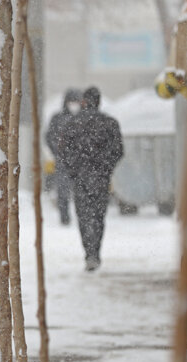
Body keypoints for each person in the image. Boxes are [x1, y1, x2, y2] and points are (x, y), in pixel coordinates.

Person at [59, 86, 123, 272]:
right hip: (101, 178)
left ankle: (89, 252)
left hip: (80, 178)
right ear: (99, 101)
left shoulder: (72, 123)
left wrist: (74, 170)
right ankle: (95, 250)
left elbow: (63, 151)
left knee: (84, 215)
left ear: (83, 101)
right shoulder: (110, 123)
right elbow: (118, 150)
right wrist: (105, 168)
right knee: (98, 215)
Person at [45, 89, 81, 225]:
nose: (74, 104)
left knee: (81, 191)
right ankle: (64, 217)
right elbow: (49, 137)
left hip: (80, 162)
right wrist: (58, 152)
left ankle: (82, 216)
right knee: (63, 191)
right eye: (72, 101)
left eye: (76, 101)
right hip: (63, 161)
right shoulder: (58, 118)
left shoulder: (83, 118)